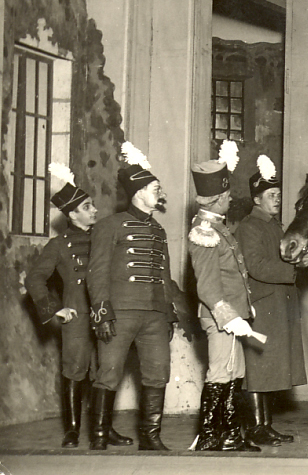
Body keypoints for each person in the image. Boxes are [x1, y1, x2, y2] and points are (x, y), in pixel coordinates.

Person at [24, 164, 132, 449]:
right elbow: (34, 278)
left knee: (106, 369)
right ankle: (72, 431)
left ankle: (104, 428)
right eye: (87, 207)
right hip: (77, 317)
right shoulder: (59, 244)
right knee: (74, 369)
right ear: (72, 215)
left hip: (106, 314)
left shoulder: (105, 237)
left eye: (93, 205)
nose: (94, 210)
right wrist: (54, 307)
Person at [87, 142, 180, 450]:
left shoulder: (159, 231)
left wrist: (168, 314)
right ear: (139, 192)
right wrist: (101, 313)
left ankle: (151, 438)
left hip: (154, 315)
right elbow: (97, 273)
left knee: (158, 373)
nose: (160, 193)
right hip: (120, 313)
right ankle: (100, 437)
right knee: (108, 374)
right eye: (155, 188)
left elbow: (164, 276)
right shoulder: (109, 226)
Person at [234, 155, 308, 446]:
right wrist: (294, 269)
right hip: (263, 304)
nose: (277, 199)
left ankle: (264, 425)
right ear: (257, 199)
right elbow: (256, 266)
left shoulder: (275, 225)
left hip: (279, 302)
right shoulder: (249, 227)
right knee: (259, 367)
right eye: (271, 195)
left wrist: (303, 260)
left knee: (270, 367)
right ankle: (256, 427)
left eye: (279, 194)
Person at [188, 141, 260, 452]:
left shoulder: (219, 227)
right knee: (220, 372)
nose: (231, 199)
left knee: (234, 372)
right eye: (227, 195)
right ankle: (208, 436)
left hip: (232, 314)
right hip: (221, 317)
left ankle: (229, 434)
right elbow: (206, 285)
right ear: (217, 199)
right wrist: (229, 316)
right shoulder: (204, 231)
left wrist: (243, 309)